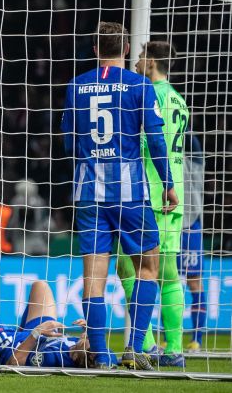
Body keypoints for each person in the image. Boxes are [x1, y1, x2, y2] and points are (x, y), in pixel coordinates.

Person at [61, 22, 178, 370]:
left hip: (88, 192)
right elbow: (156, 141)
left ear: (95, 49)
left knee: (94, 276)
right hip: (130, 194)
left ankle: (100, 354)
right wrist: (168, 183)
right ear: (126, 48)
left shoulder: (76, 85)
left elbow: (68, 141)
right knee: (148, 267)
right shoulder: (140, 85)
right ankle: (134, 348)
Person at [116, 40, 190, 367]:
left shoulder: (150, 94)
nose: (136, 62)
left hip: (150, 193)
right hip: (175, 195)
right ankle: (174, 349)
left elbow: (149, 143)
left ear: (152, 63)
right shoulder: (178, 99)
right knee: (168, 274)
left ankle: (143, 343)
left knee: (129, 268)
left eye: (141, 57)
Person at [0, 281, 117, 368]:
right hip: (44, 334)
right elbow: (107, 358)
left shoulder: (52, 358)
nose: (92, 337)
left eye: (90, 340)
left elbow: (13, 363)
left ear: (84, 355)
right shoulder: (100, 355)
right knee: (40, 286)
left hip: (13, 344)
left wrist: (35, 333)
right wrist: (88, 330)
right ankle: (24, 330)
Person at [179, 135, 206, 352]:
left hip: (190, 225)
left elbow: (191, 140)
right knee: (166, 281)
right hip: (169, 225)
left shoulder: (194, 158)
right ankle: (167, 337)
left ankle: (197, 338)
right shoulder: (163, 158)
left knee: (194, 282)